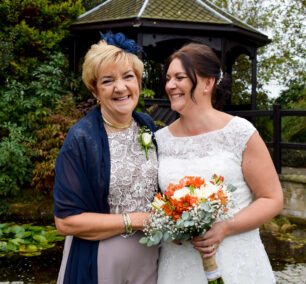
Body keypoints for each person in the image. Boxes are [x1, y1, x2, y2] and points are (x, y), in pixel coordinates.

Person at [155, 42, 284, 283]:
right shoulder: (160, 140)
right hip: (178, 264)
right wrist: (168, 225)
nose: (170, 85)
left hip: (235, 260)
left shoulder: (240, 133)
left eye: (180, 77)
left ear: (207, 83)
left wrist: (225, 227)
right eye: (168, 78)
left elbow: (272, 199)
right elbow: (156, 202)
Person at [53, 32, 159, 284]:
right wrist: (135, 220)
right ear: (95, 90)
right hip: (100, 261)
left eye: (128, 77)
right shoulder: (81, 138)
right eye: (108, 81)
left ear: (139, 82)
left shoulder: (147, 125)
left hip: (151, 259)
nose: (120, 87)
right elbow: (65, 222)